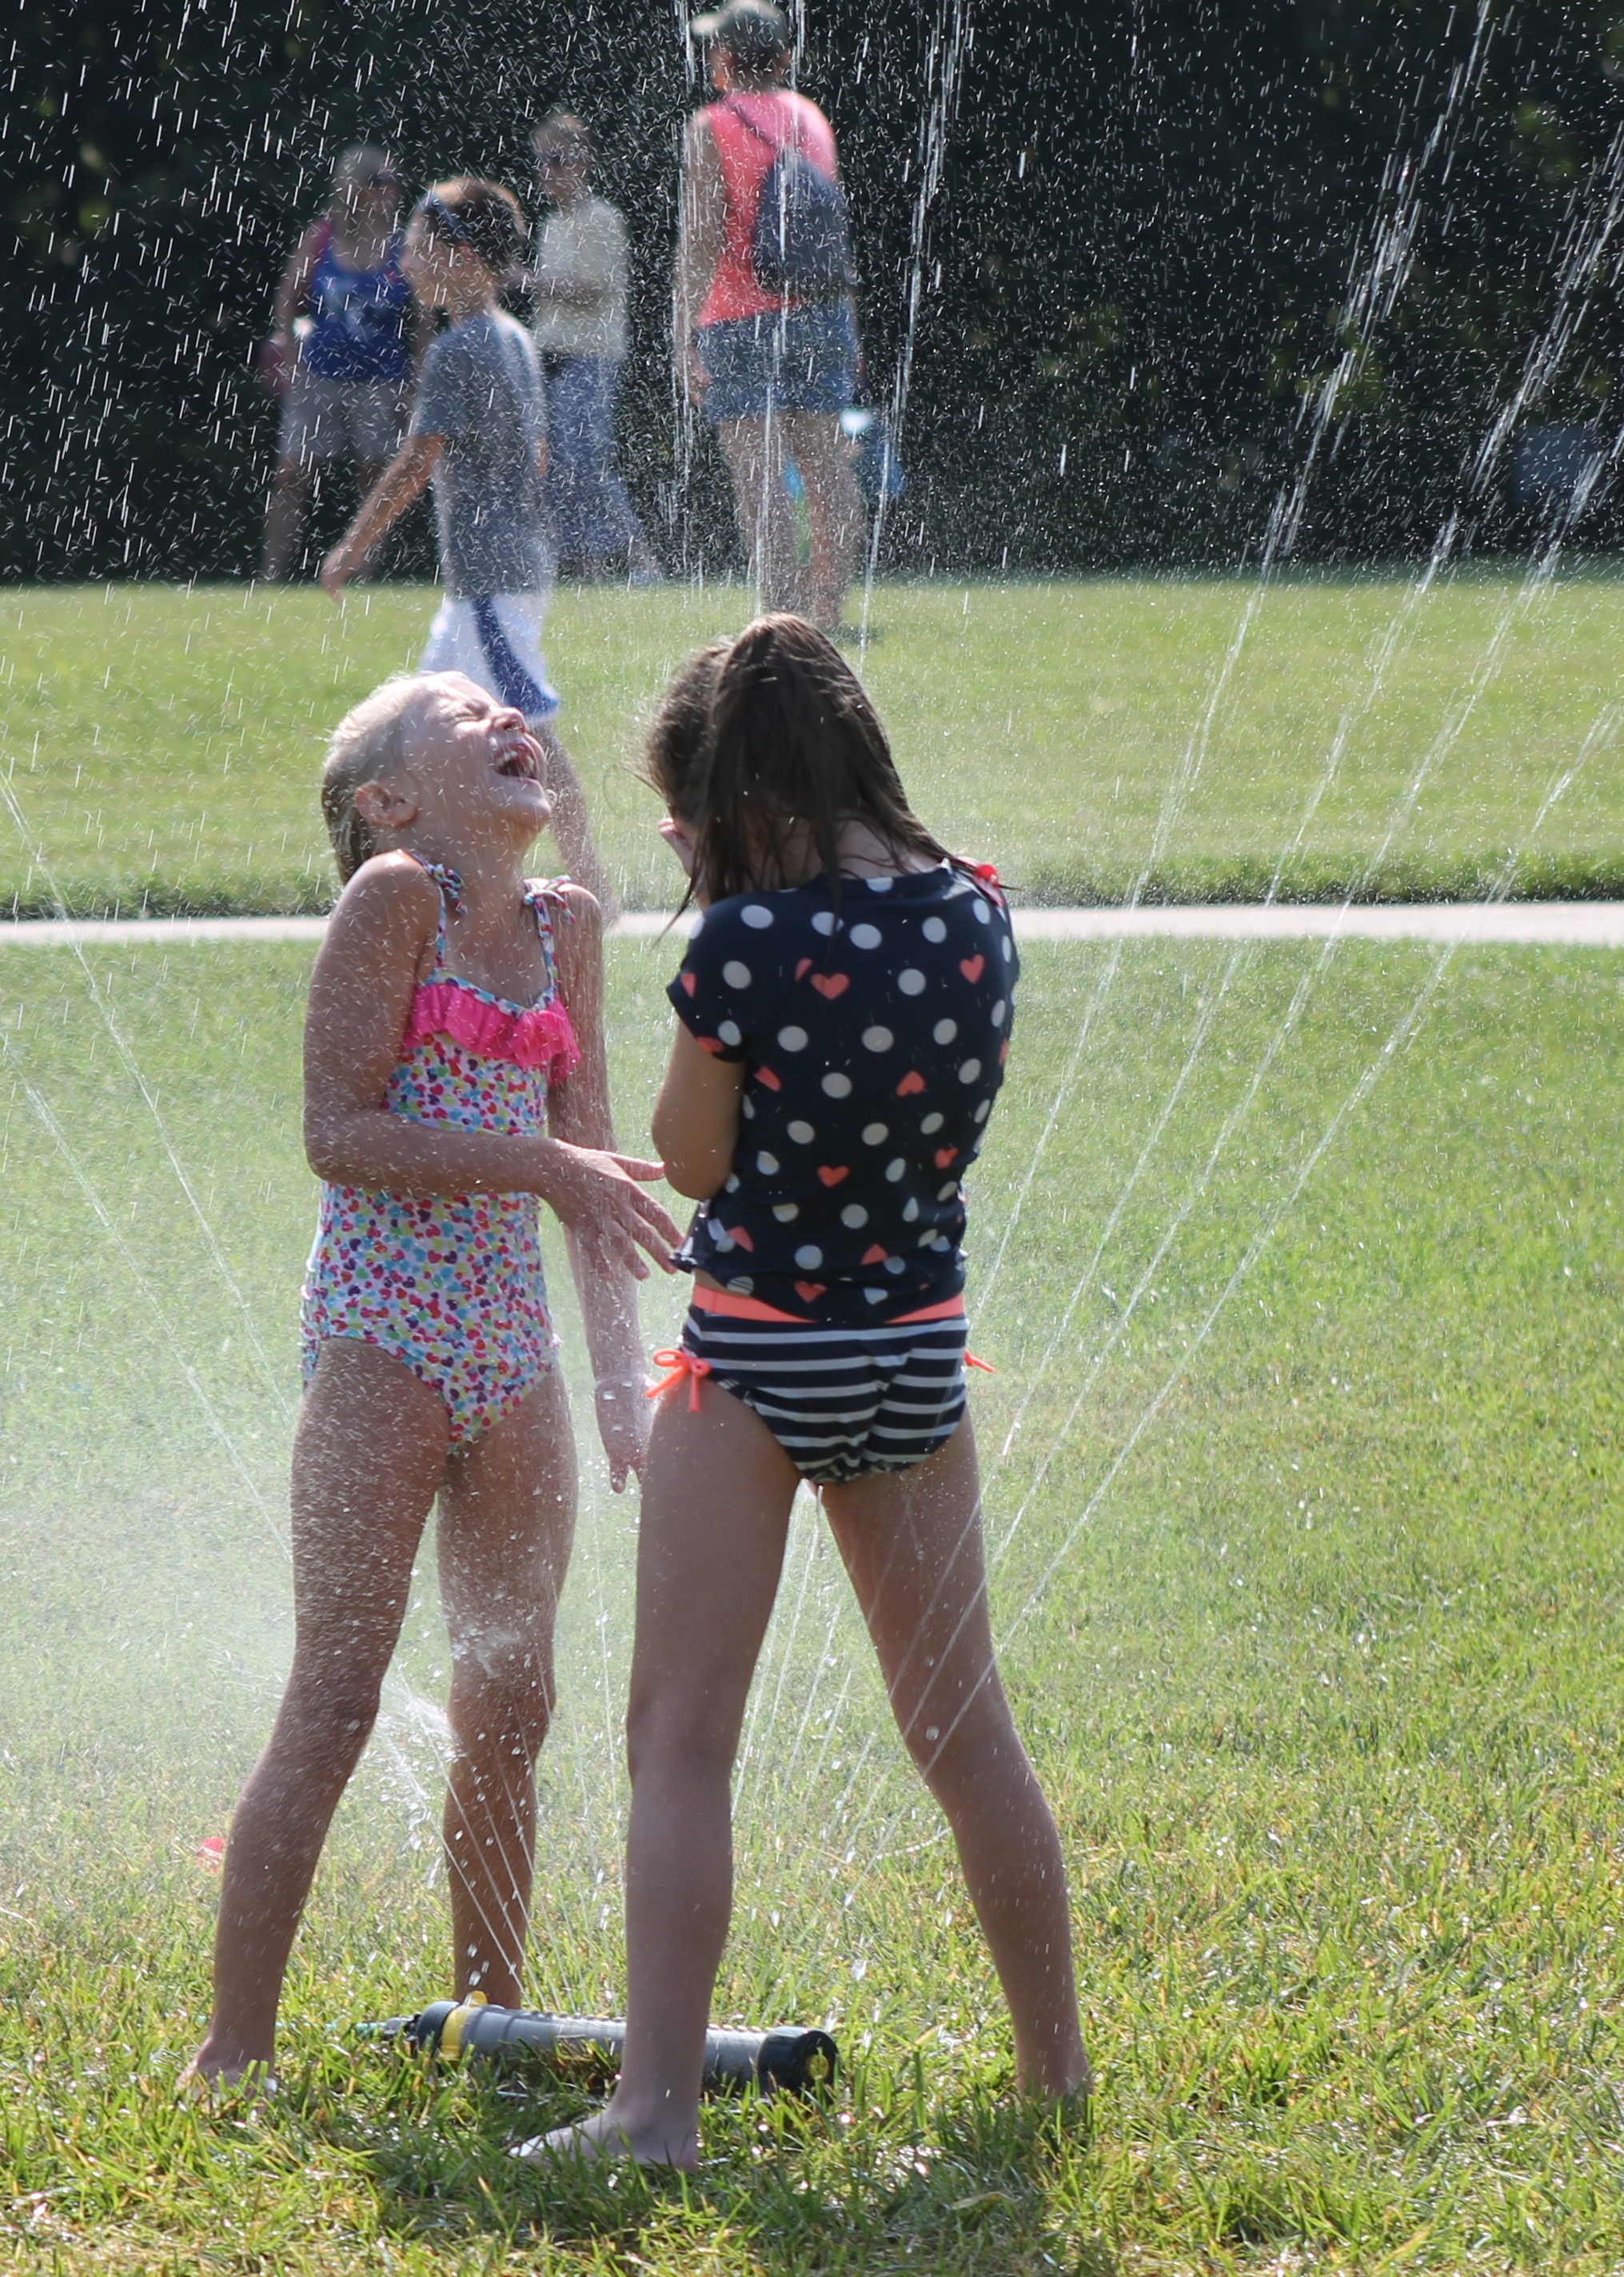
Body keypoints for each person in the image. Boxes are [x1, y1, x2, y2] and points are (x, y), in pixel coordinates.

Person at [521, 616, 1091, 2167]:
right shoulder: (975, 912)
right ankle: (1058, 2077)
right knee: (965, 1727)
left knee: (681, 1731)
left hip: (758, 1353)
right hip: (915, 1351)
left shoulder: (745, 946)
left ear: (739, 799)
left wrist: (721, 957)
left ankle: (652, 2111)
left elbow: (695, 1157)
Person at [183, 670, 680, 2088]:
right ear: (389, 799)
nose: (507, 716)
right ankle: (236, 2047)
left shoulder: (563, 927)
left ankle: (492, 2022)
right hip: (379, 1340)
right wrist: (534, 1163)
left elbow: (593, 1164)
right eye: (462, 711)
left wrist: (609, 1374)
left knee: (512, 1704)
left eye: (507, 707)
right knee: (337, 1694)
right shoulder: (392, 896)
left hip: (510, 1353)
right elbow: (338, 1130)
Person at [321, 178, 615, 914]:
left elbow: (418, 460)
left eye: (417, 248)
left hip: (492, 578)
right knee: (420, 730)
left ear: (459, 254)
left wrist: (352, 547)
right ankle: (429, 877)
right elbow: (539, 455)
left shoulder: (459, 350)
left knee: (527, 731)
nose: (406, 262)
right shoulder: (513, 338)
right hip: (497, 575)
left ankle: (593, 892)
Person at [675, 0, 864, 632]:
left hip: (738, 317)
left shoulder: (713, 124)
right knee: (826, 469)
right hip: (818, 314)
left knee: (759, 480)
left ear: (725, 60)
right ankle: (828, 609)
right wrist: (848, 325)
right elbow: (828, 231)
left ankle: (780, 618)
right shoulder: (810, 118)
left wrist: (681, 332)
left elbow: (701, 236)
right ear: (783, 58)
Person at [259, 145, 429, 584]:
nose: (391, 192)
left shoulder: (403, 245)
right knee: (291, 475)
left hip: (382, 380)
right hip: (317, 375)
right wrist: (291, 361)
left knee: (374, 478)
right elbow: (287, 302)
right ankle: (272, 577)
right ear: (356, 189)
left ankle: (360, 577)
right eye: (380, 183)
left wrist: (416, 383)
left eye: (393, 183)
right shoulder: (322, 238)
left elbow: (424, 320)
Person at [529, 111, 661, 583]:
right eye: (541, 161)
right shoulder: (550, 225)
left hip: (592, 356)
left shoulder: (603, 218)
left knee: (586, 459)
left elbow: (592, 288)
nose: (547, 171)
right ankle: (590, 569)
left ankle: (640, 558)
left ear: (583, 161)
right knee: (557, 466)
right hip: (552, 357)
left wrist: (526, 281)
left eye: (557, 159)